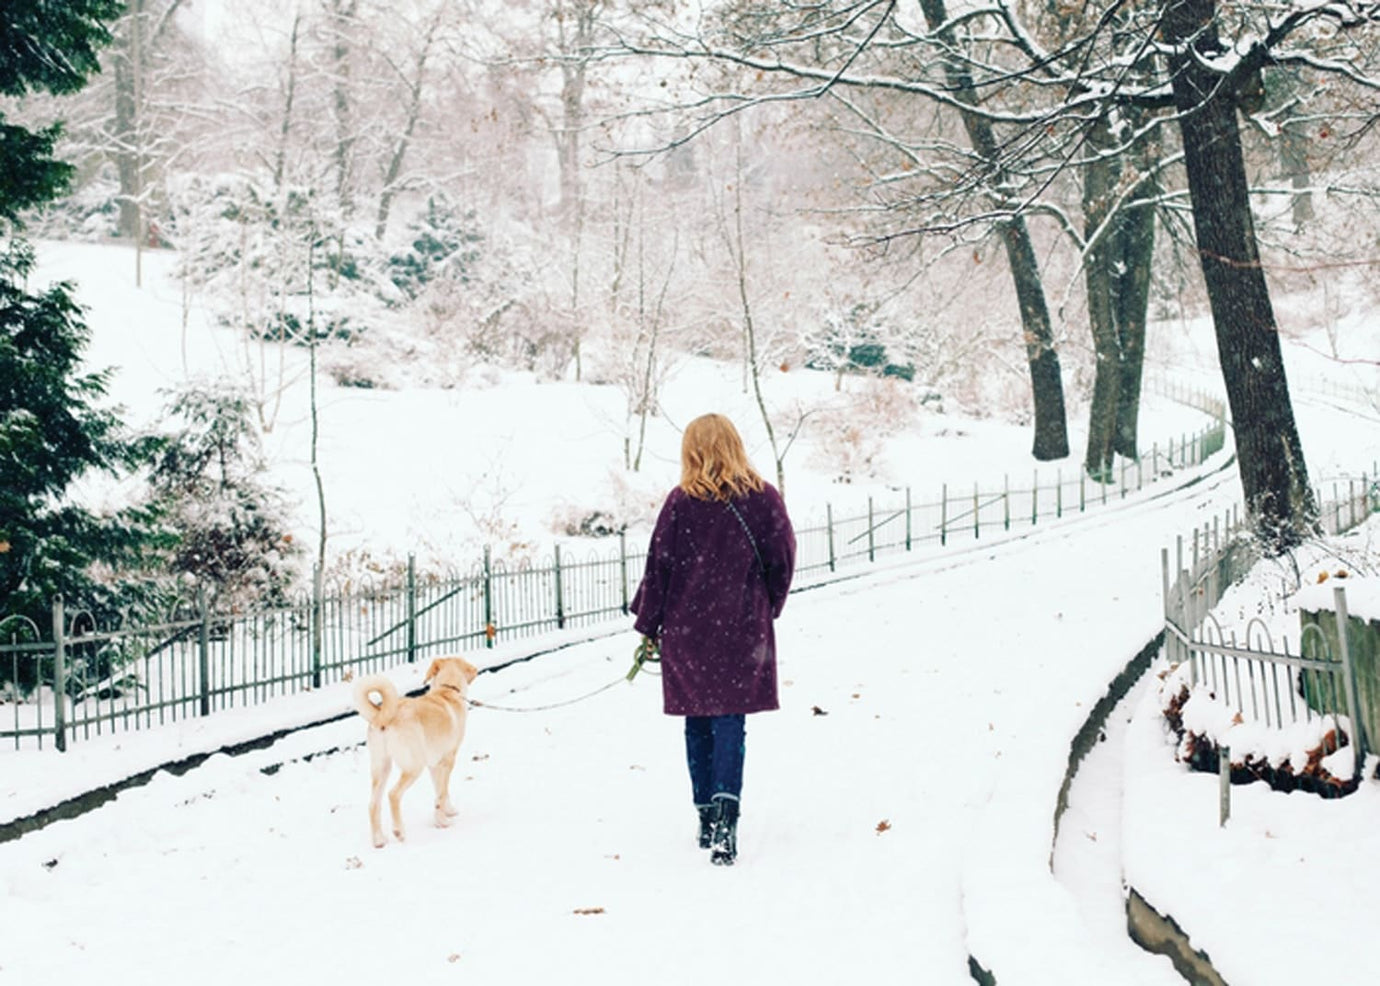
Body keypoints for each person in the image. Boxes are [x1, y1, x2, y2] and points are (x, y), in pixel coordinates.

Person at [630, 413, 796, 866]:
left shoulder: (680, 503)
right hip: (742, 629)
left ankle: (705, 816)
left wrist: (648, 623)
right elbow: (782, 560)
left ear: (692, 451)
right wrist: (766, 607)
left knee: (697, 723)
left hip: (689, 631)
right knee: (729, 723)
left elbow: (658, 567)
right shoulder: (764, 500)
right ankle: (727, 817)